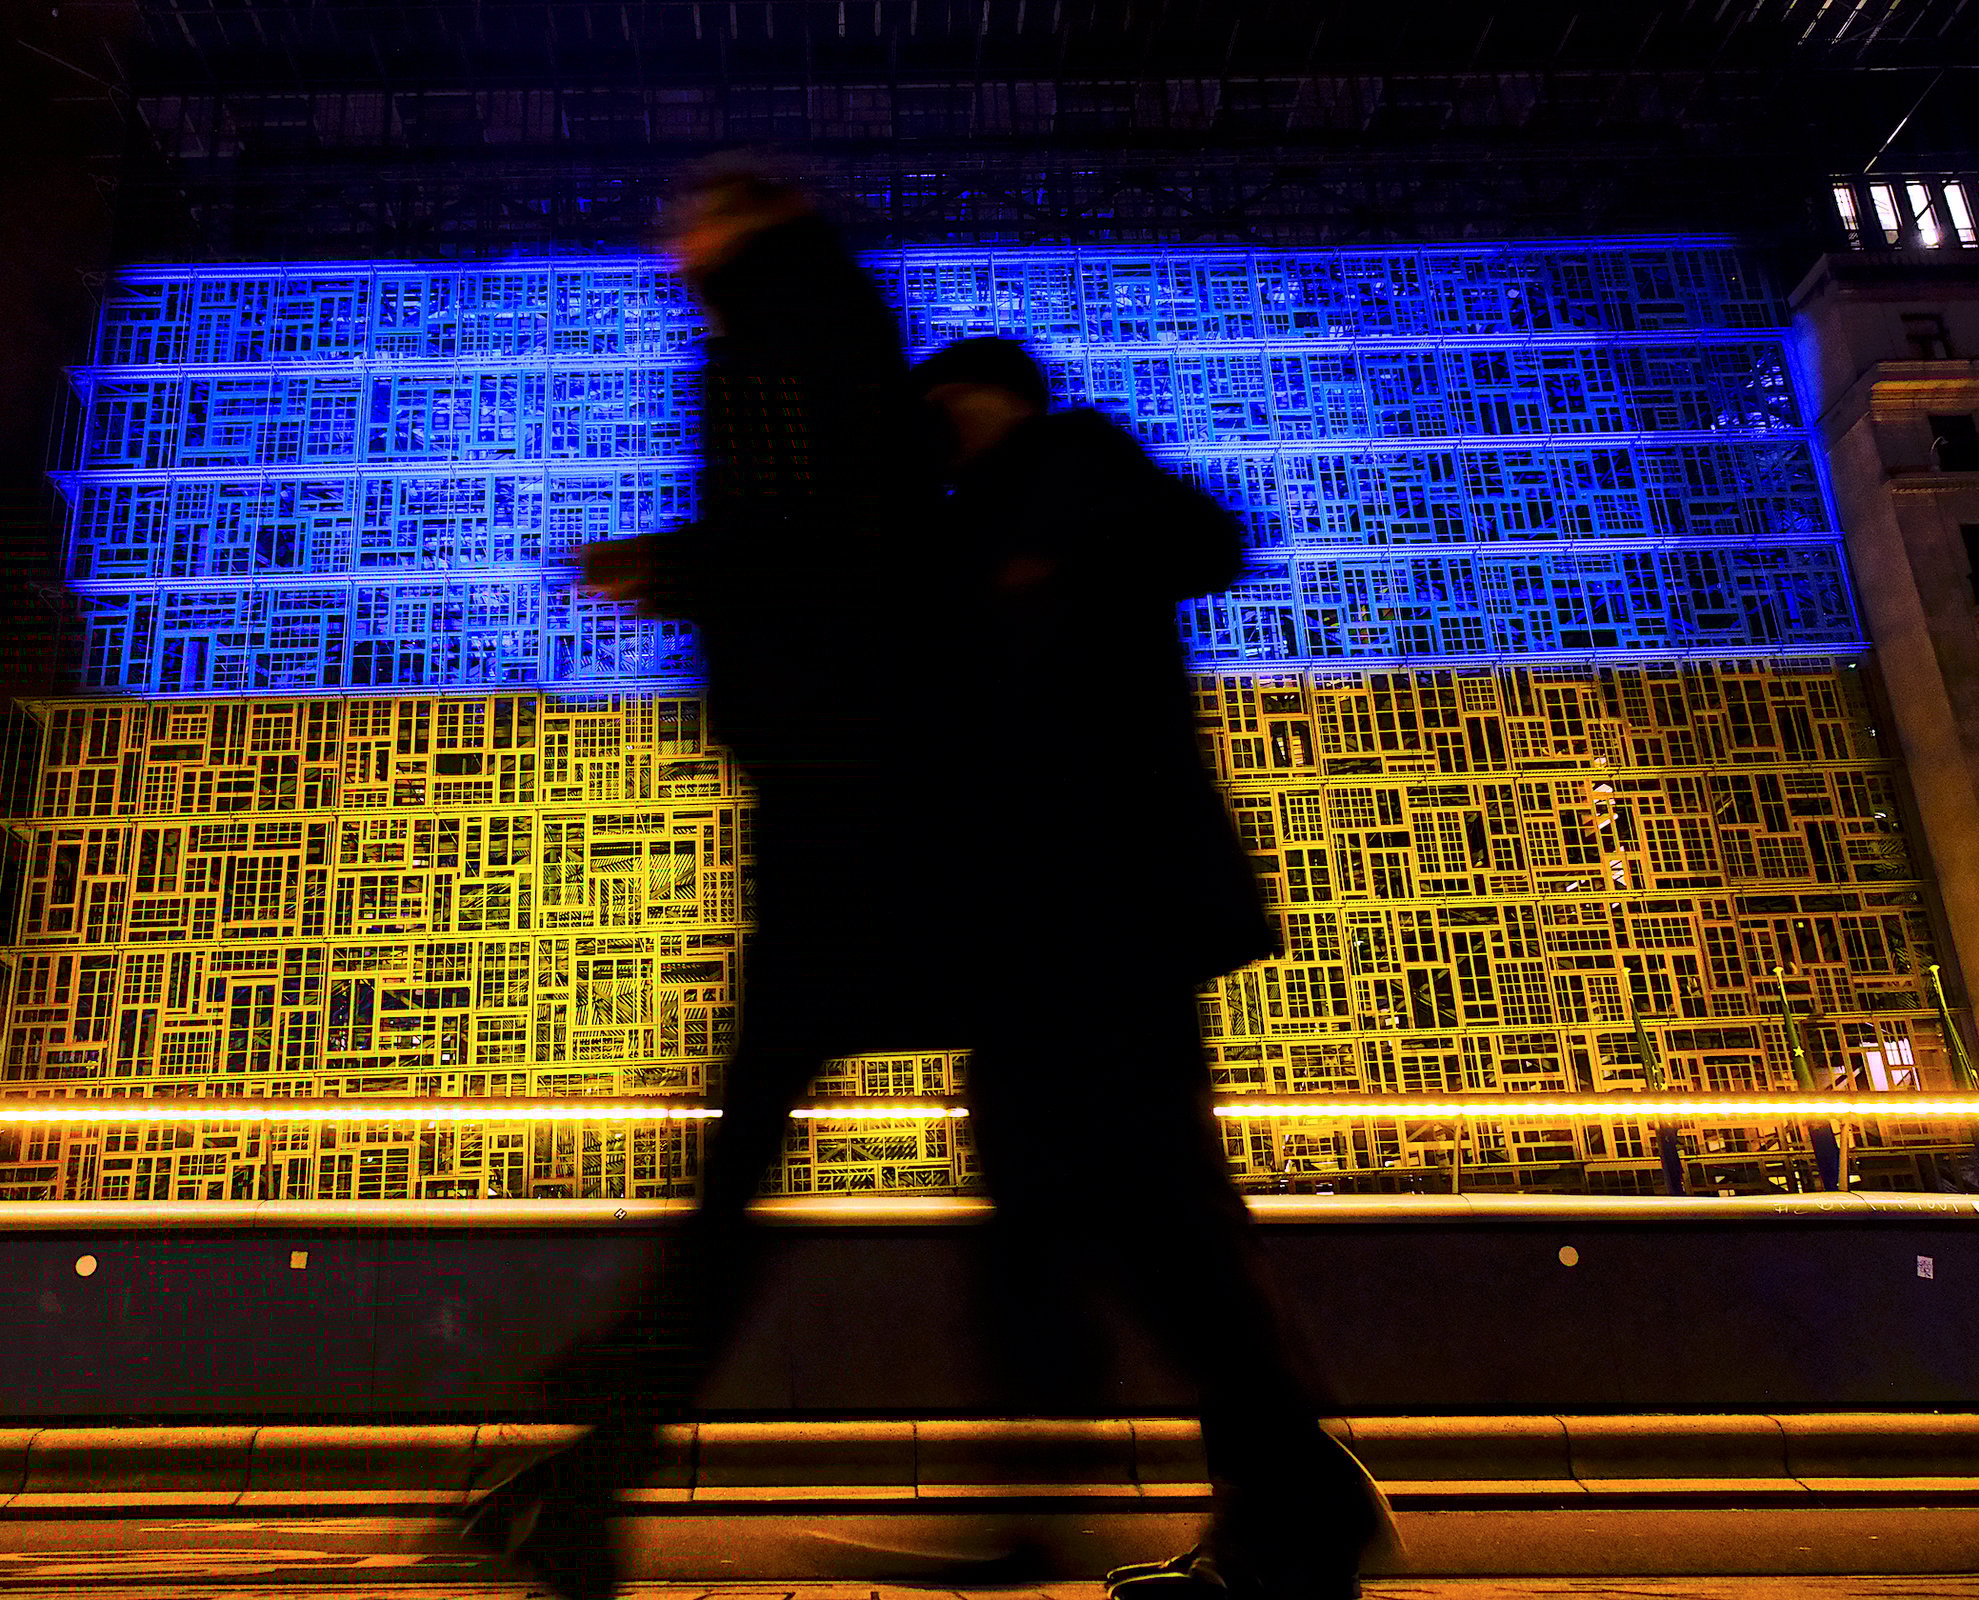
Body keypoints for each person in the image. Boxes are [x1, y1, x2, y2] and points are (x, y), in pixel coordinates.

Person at [463, 168, 968, 1600]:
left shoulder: (780, 340)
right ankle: (588, 1465)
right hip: (860, 781)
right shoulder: (828, 332)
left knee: (752, 1153)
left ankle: (595, 1454)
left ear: (732, 231)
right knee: (763, 1151)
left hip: (843, 792)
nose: (665, 247)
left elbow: (816, 545)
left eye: (687, 223)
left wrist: (663, 565)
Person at [909, 336, 1397, 1600]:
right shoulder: (974, 510)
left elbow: (1207, 542)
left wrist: (1053, 566)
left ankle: (1258, 1500)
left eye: (947, 406)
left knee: (1116, 1209)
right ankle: (1284, 1497)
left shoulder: (1067, 459)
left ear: (992, 397)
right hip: (1058, 917)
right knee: (1130, 1211)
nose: (938, 429)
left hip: (1100, 907)